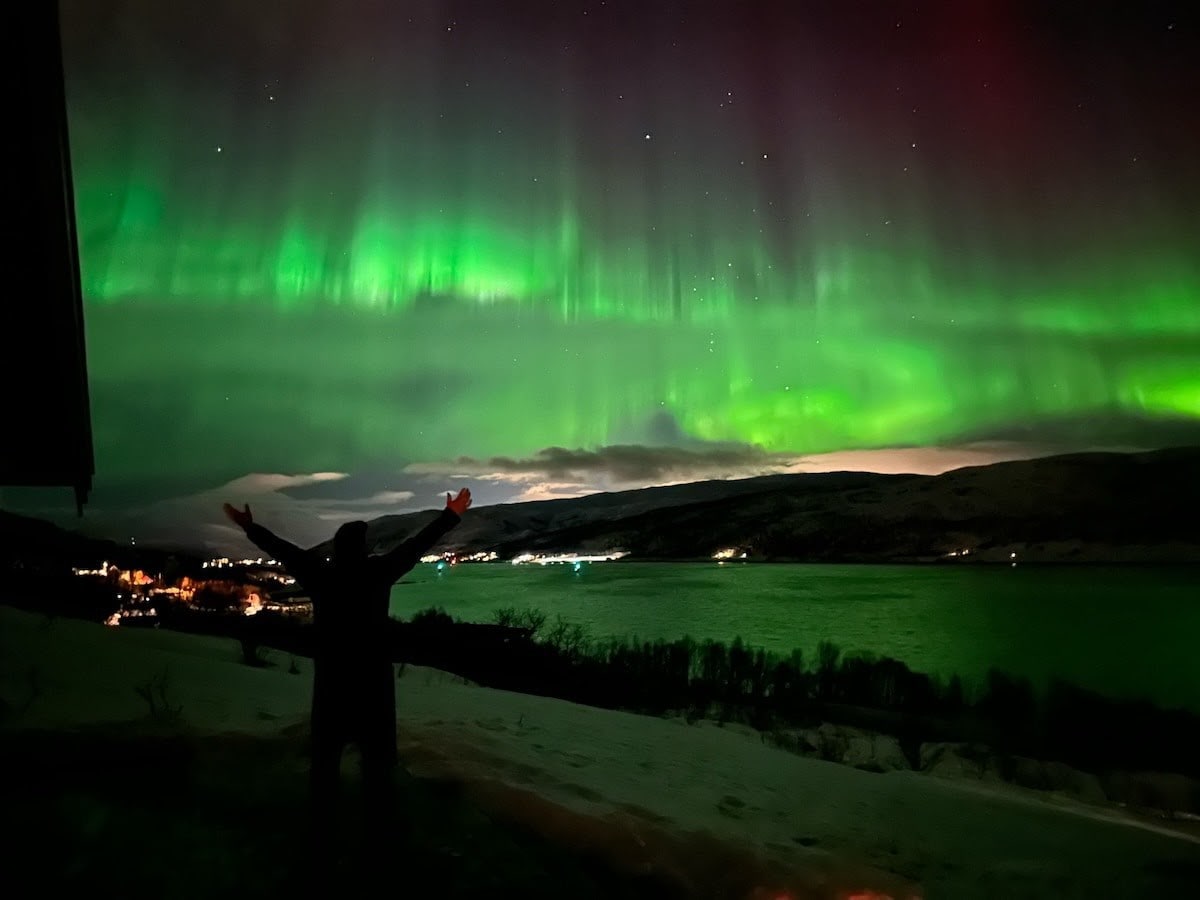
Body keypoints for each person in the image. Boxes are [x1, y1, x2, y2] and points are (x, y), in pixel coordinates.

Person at [222, 488, 471, 872]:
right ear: (364, 548)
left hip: (333, 684)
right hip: (372, 685)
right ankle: (380, 844)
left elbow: (285, 552)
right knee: (378, 765)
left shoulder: (321, 575)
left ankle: (321, 843)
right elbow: (416, 545)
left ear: (338, 548)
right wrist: (450, 515)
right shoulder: (379, 572)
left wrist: (251, 528)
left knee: (325, 766)